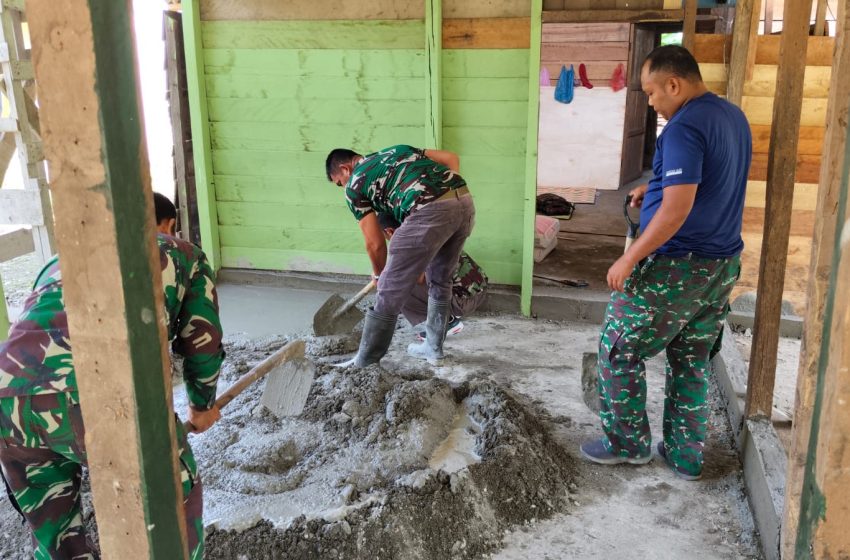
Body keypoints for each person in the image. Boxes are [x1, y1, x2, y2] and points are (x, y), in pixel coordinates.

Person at [0, 193, 224, 558]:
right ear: (167, 225)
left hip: (7, 400)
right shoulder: (180, 253)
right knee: (174, 506)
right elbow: (202, 341)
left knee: (56, 536)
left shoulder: (60, 260)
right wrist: (202, 405)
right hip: (97, 394)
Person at [579, 45, 751, 481]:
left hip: (676, 268)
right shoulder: (731, 116)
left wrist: (629, 257)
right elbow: (708, 176)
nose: (652, 102)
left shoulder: (682, 127)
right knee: (691, 356)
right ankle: (684, 455)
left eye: (653, 92)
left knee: (618, 350)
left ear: (674, 84)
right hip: (721, 264)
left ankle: (626, 444)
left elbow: (676, 211)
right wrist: (652, 186)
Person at [325, 145, 475, 365]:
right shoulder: (397, 150)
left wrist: (378, 276)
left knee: (388, 287)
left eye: (340, 182)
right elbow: (450, 156)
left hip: (428, 210)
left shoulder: (355, 184)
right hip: (464, 202)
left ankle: (365, 362)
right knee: (440, 279)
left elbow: (375, 243)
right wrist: (447, 195)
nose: (343, 187)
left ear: (345, 169)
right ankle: (433, 349)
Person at [376, 212, 488, 338]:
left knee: (397, 285)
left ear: (389, 231)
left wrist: (382, 277)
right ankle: (446, 313)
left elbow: (417, 279)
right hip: (478, 292)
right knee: (400, 277)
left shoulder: (409, 245)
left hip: (464, 301)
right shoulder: (426, 233)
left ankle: (446, 322)